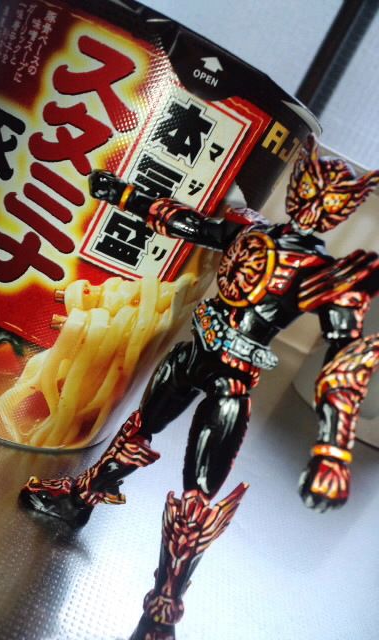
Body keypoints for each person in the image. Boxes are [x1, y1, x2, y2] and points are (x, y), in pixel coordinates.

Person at [20, 135, 379, 640]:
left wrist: (332, 451)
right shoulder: (251, 231)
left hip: (233, 382)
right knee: (139, 429)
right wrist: (124, 196)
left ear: (346, 207)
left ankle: (164, 607)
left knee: (198, 494)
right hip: (194, 353)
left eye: (330, 197)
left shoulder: (327, 276)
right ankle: (82, 498)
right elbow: (189, 223)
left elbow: (344, 360)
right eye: (309, 186)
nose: (314, 203)